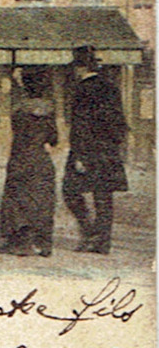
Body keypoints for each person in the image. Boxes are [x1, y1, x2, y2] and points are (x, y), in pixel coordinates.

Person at [62, 44, 127, 254]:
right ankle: (103, 241)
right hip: (108, 151)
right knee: (104, 197)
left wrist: (79, 155)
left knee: (70, 191)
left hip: (86, 150)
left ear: (79, 68)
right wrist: (116, 147)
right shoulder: (111, 87)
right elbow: (120, 122)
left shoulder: (82, 89)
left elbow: (80, 125)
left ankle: (89, 233)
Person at [0, 67, 58, 257]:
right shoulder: (49, 110)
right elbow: (54, 139)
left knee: (18, 200)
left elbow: (18, 134)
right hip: (41, 159)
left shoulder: (19, 110)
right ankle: (43, 244)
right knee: (43, 201)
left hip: (21, 157)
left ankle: (20, 243)